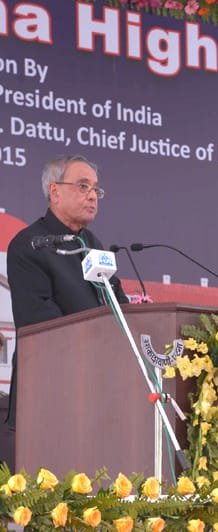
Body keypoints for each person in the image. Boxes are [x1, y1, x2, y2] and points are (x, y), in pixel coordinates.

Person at [6, 154, 127, 427]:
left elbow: (116, 302)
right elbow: (40, 323)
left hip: (98, 390)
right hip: (49, 391)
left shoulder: (92, 243)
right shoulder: (30, 244)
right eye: (83, 186)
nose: (92, 196)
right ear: (55, 191)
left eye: (96, 189)